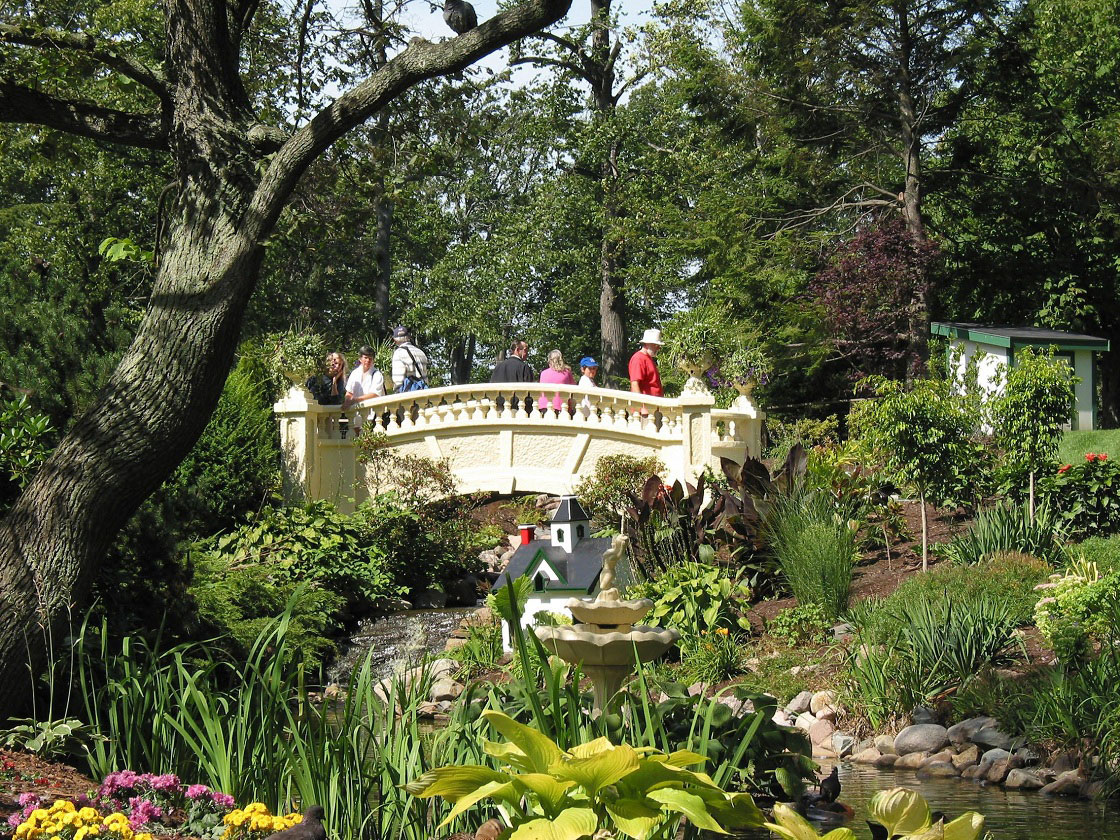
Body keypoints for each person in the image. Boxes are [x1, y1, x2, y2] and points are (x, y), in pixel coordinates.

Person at [343, 345, 386, 424]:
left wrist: (354, 400)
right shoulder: (355, 373)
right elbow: (349, 392)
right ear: (360, 359)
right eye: (365, 358)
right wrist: (347, 401)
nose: (368, 360)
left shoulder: (377, 374)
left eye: (370, 358)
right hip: (357, 413)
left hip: (374, 415)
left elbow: (375, 394)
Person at [390, 326, 429, 391]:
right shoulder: (420, 352)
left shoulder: (399, 353)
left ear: (395, 340)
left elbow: (398, 380)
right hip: (423, 392)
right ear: (408, 337)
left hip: (409, 395)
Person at [629, 328, 664, 398]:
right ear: (647, 344)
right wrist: (641, 406)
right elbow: (635, 384)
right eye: (656, 345)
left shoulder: (649, 359)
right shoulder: (638, 358)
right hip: (646, 407)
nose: (658, 348)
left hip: (654, 405)